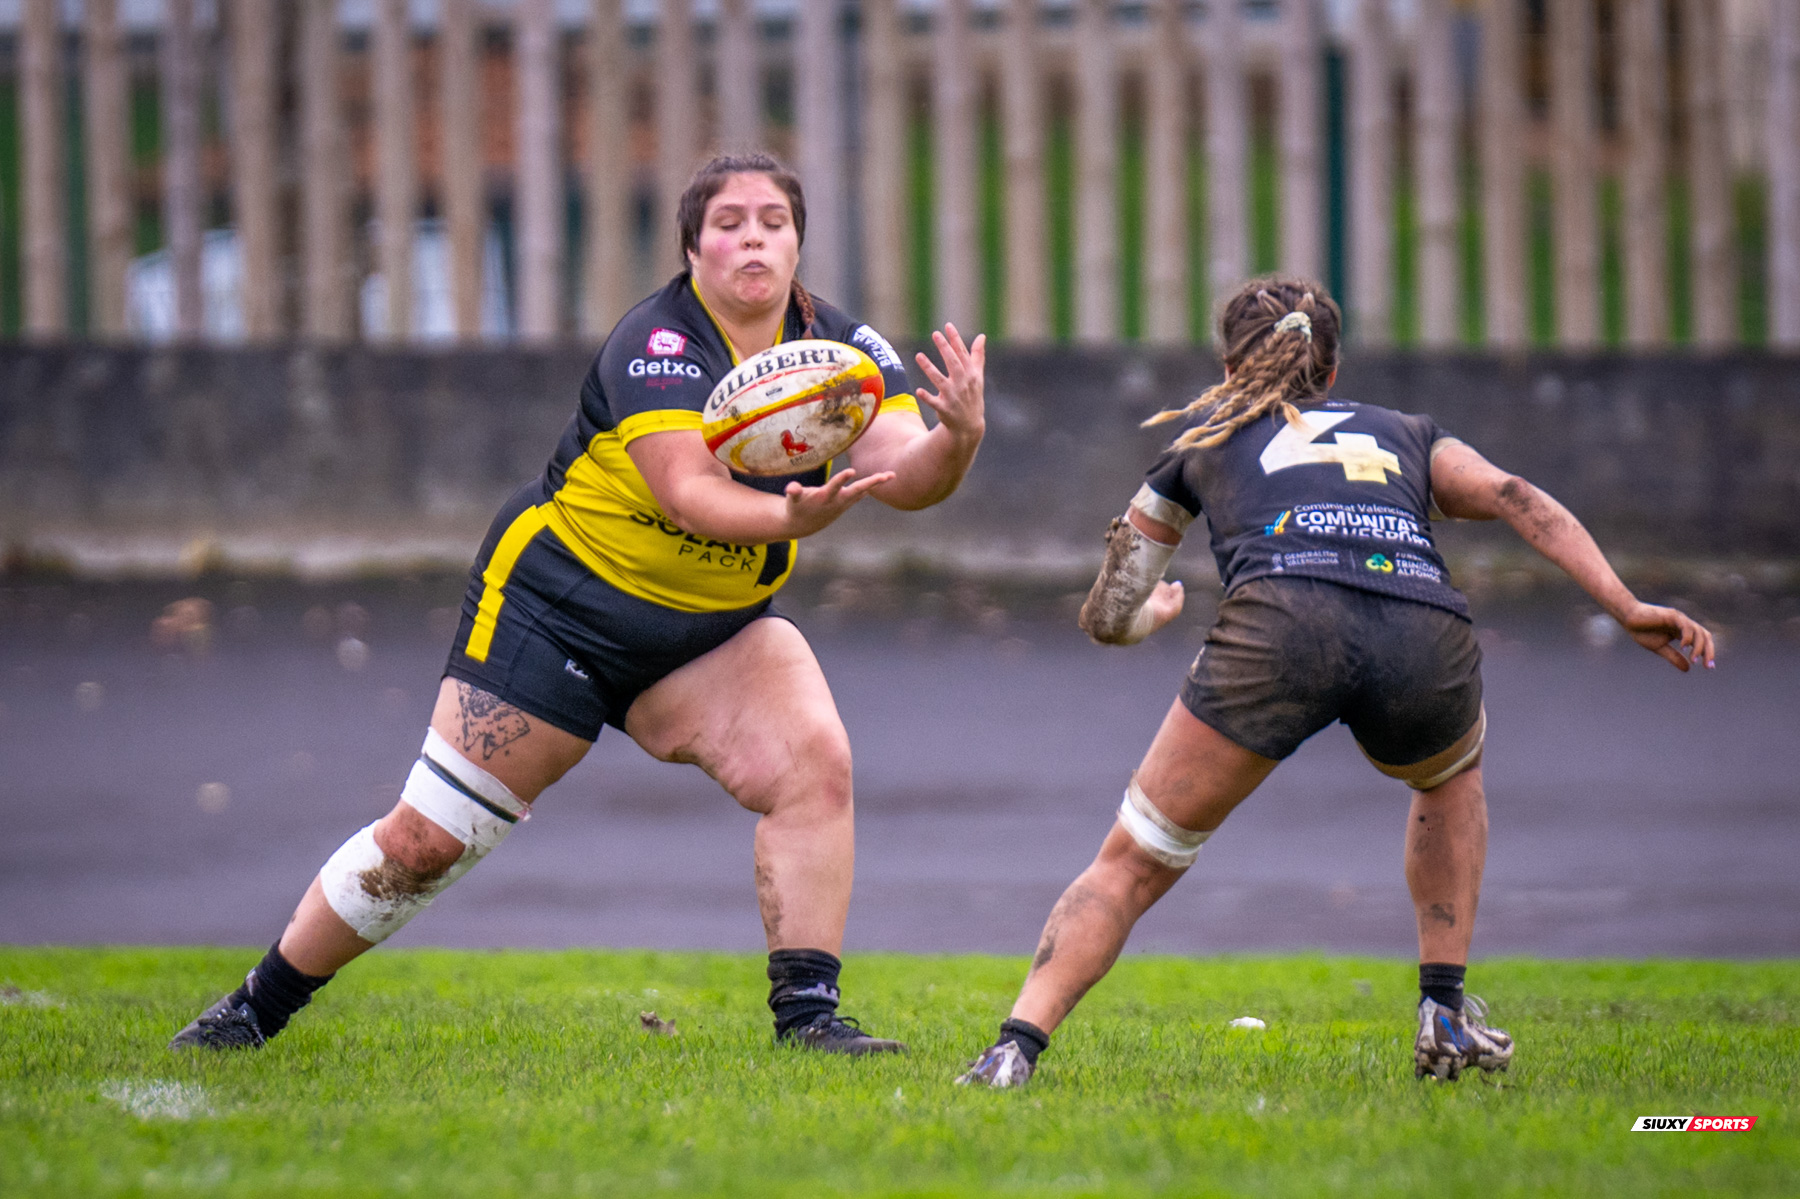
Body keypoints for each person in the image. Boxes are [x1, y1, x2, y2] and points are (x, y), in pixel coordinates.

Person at [172, 153, 987, 1056]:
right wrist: (791, 512)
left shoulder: (842, 350)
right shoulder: (659, 342)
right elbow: (688, 494)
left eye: (772, 220)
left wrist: (959, 438)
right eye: (729, 222)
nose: (753, 235)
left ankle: (810, 1021)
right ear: (692, 247)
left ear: (797, 242)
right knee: (428, 842)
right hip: (559, 613)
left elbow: (905, 475)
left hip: (707, 636)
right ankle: (254, 1008)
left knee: (816, 763)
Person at [955, 277, 1713, 1088]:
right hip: (1419, 620)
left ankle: (1014, 1049)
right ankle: (1445, 1009)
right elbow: (1513, 495)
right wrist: (1625, 604)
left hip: (1280, 628)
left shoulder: (1203, 441)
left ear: (1230, 363)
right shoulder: (1407, 433)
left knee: (1135, 858)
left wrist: (1152, 617)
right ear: (1334, 368)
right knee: (1449, 775)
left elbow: (1108, 611)